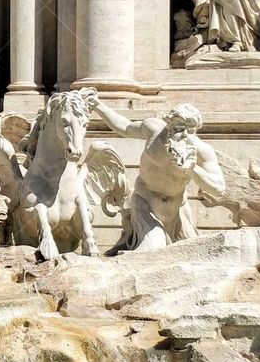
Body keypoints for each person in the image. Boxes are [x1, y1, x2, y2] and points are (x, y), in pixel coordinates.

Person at [84, 91, 226, 252]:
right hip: (145, 202)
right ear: (169, 124)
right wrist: (98, 105)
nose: (185, 134)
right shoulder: (153, 129)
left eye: (191, 130)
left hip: (177, 210)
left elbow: (219, 188)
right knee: (153, 247)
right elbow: (124, 127)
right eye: (180, 128)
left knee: (190, 253)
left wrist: (192, 169)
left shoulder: (202, 150)